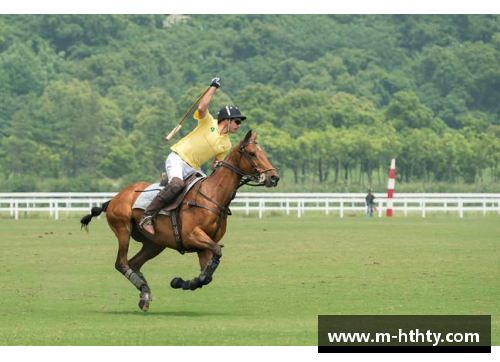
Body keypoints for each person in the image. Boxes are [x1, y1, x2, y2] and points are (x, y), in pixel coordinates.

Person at [139, 77, 246, 235]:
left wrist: (217, 166)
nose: (238, 126)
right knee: (176, 185)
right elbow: (202, 107)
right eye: (237, 122)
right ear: (227, 120)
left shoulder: (227, 144)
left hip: (193, 169)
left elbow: (215, 163)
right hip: (178, 158)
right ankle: (147, 216)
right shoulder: (208, 122)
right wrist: (213, 87)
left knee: (206, 192)